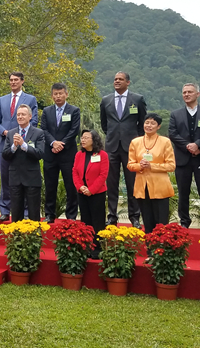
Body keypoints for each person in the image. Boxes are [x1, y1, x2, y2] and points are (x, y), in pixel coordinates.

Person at [100, 71, 147, 228]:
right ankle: (112, 216)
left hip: (131, 147)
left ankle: (134, 217)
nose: (117, 81)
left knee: (132, 182)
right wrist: (113, 135)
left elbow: (143, 122)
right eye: (115, 79)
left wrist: (136, 139)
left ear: (128, 82)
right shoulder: (106, 100)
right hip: (112, 146)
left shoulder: (137, 99)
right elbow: (104, 124)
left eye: (120, 79)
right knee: (111, 183)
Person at [168, 83, 200, 231]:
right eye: (184, 92)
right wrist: (188, 146)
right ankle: (184, 221)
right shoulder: (175, 114)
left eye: (190, 92)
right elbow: (173, 134)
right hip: (183, 158)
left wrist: (198, 145)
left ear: (197, 94)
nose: (186, 94)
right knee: (183, 192)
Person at [0, 72, 38, 222]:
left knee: (23, 177)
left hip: (24, 144)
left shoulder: (30, 99)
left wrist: (22, 136)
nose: (13, 82)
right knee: (5, 177)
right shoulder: (2, 100)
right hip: (6, 144)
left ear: (22, 81)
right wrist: (6, 133)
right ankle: (5, 210)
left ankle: (25, 211)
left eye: (16, 80)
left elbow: (34, 120)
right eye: (11, 80)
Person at [128, 113, 176, 234]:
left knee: (161, 223)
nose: (149, 125)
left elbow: (171, 166)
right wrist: (140, 166)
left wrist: (152, 166)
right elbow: (130, 164)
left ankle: (161, 245)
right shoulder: (135, 142)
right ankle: (149, 244)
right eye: (147, 123)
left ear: (158, 126)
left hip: (160, 187)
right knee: (147, 221)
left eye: (153, 123)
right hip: (142, 187)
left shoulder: (165, 142)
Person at [40, 83, 80, 223]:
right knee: (50, 186)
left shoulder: (74, 110)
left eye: (60, 93)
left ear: (66, 94)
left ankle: (71, 216)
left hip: (68, 154)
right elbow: (43, 129)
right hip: (50, 153)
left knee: (71, 185)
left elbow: (74, 130)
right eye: (55, 94)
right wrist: (53, 143)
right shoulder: (47, 111)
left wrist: (61, 143)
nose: (58, 96)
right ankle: (49, 215)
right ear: (52, 96)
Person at [2, 104, 45, 223]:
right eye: (18, 114)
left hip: (32, 178)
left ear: (30, 116)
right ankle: (16, 235)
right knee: (16, 213)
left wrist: (24, 145)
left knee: (33, 213)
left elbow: (40, 154)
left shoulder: (38, 133)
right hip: (15, 177)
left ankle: (34, 234)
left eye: (23, 114)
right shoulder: (11, 133)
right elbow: (5, 155)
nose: (20, 117)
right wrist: (14, 147)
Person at [72, 129, 109, 259]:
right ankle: (86, 246)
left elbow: (103, 175)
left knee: (97, 221)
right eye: (82, 137)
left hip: (97, 193)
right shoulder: (79, 155)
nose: (83, 140)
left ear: (94, 140)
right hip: (82, 192)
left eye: (86, 138)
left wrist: (91, 189)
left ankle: (97, 248)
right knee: (85, 220)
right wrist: (80, 187)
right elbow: (75, 172)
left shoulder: (102, 155)